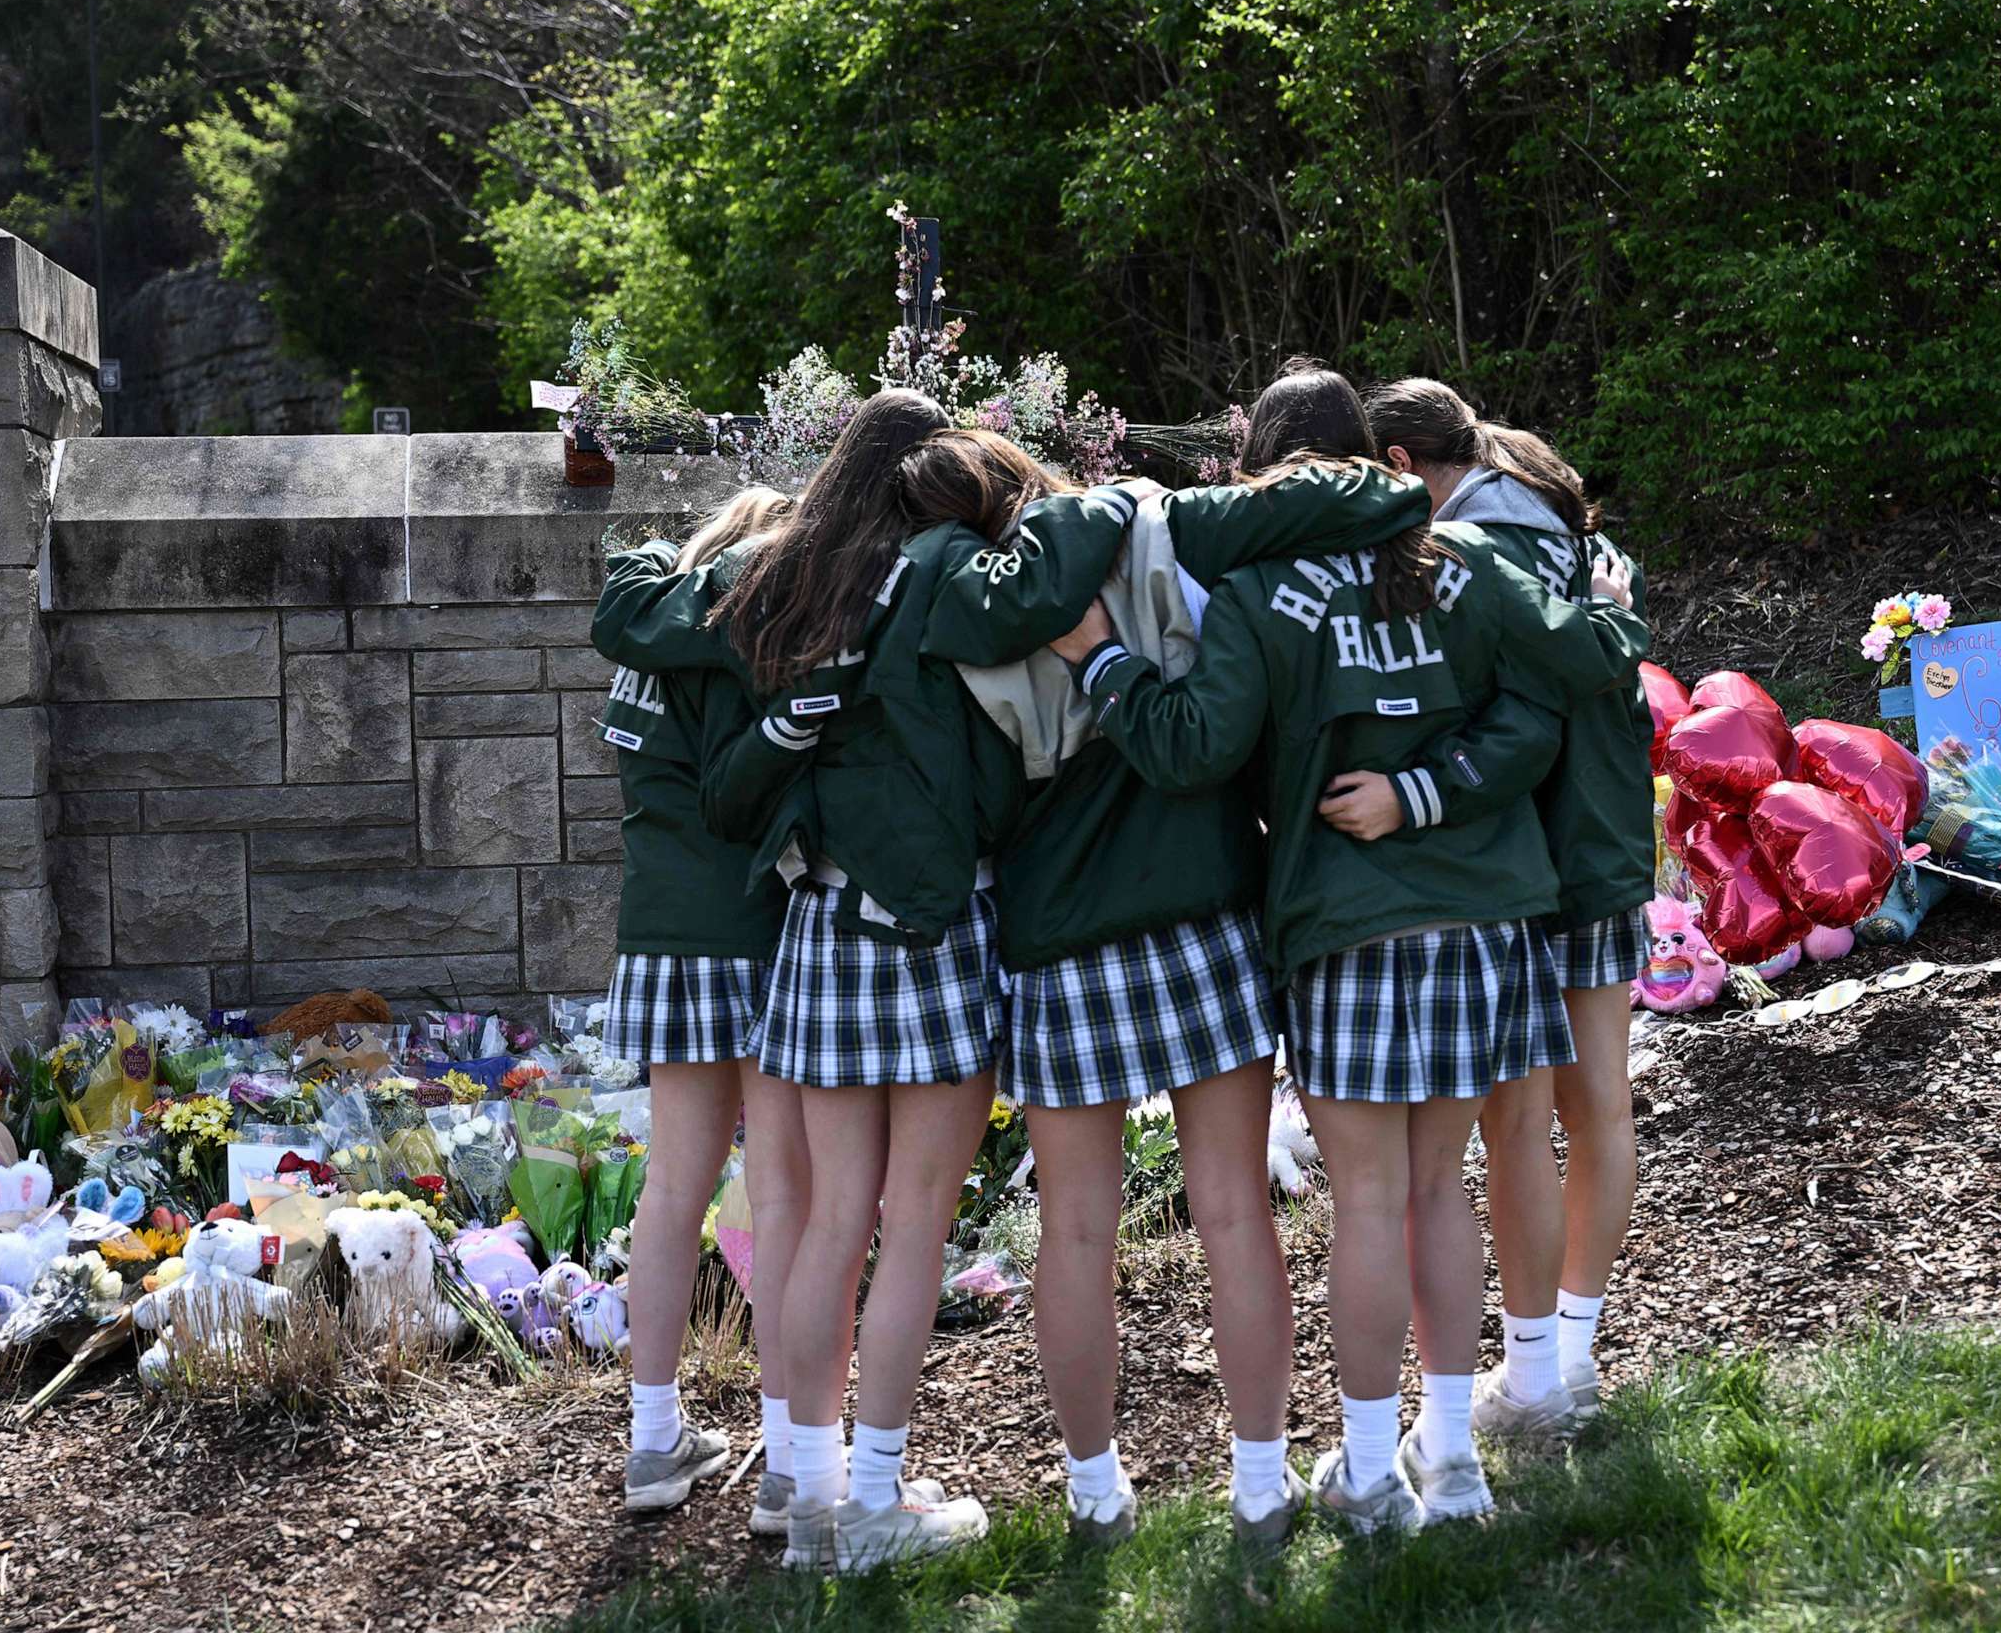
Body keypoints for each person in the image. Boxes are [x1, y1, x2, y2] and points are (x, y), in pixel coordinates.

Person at [1048, 365, 1646, 1534]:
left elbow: (1190, 751)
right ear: (1376, 462)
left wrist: (1101, 659)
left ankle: (1373, 1475)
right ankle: (1454, 1458)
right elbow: (1551, 698)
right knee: (1438, 1190)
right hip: (1485, 922)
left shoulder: (1259, 590)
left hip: (1347, 928)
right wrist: (1605, 622)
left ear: (1267, 479)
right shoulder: (1460, 563)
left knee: (1372, 1203)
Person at [596, 390, 1136, 1574]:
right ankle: (872, 1508)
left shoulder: (786, 585)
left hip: (817, 929)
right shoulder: (937, 582)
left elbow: (640, 614)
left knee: (830, 1224)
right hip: (934, 929)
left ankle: (809, 1490)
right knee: (913, 1232)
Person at [915, 420, 1431, 1550]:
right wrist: (1394, 490)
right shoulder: (1156, 523)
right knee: (1238, 1212)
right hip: (1203, 912)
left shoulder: (939, 610)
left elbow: (968, 807)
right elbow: (1352, 499)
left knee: (1076, 1235)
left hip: (1057, 941)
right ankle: (1258, 1484)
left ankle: (1095, 1494)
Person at [1356, 379, 1654, 1425]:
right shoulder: (1539, 501)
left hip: (1532, 850)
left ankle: (1548, 1366)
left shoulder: (1474, 546)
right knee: (1599, 1101)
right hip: (1605, 831)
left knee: (1522, 1121)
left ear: (1400, 463)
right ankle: (1569, 1350)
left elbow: (1527, 699)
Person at [589, 483, 805, 1519]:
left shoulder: (645, 637)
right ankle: (789, 1449)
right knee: (778, 1194)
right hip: (753, 930)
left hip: (659, 934)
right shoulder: (737, 644)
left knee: (672, 1193)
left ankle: (653, 1438)